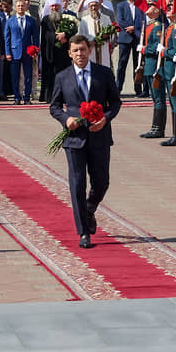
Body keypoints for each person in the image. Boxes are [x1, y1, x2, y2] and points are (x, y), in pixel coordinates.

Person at [49, 34, 122, 249]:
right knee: (77, 184)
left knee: (101, 182)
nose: (80, 54)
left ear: (89, 50)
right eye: (75, 50)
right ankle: (83, 232)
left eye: (83, 49)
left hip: (99, 136)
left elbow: (116, 102)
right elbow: (54, 106)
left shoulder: (103, 73)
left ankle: (88, 210)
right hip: (74, 139)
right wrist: (66, 119)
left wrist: (105, 118)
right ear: (69, 53)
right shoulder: (62, 76)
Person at [137, 0, 165, 138]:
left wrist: (144, 49)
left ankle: (158, 128)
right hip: (148, 65)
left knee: (158, 97)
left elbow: (156, 47)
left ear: (156, 10)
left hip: (154, 65)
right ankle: (155, 127)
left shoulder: (157, 26)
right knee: (155, 98)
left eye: (150, 5)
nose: (147, 7)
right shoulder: (149, 26)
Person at [39, 0, 75, 103]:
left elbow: (73, 31)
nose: (54, 8)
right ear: (50, 7)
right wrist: (56, 37)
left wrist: (65, 35)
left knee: (64, 75)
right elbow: (45, 35)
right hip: (50, 52)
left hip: (63, 53)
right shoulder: (45, 20)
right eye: (52, 6)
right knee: (50, 75)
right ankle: (49, 97)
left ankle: (64, 97)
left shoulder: (66, 18)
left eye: (56, 5)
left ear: (60, 6)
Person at [5, 0, 38, 105]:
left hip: (28, 52)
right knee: (15, 76)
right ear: (15, 7)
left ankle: (27, 97)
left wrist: (35, 50)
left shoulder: (31, 20)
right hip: (15, 52)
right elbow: (7, 38)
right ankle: (17, 97)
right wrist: (8, 52)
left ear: (25, 7)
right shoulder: (10, 20)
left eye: (22, 5)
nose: (20, 7)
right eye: (18, 6)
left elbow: (36, 37)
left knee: (28, 75)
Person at [160, 0, 176, 146]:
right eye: (167, 8)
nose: (168, 10)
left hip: (173, 69)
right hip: (168, 68)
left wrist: (164, 51)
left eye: (171, 8)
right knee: (172, 102)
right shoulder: (171, 27)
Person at [115, 0, 146, 96]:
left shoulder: (140, 6)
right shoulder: (121, 5)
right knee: (122, 64)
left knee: (137, 65)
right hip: (125, 38)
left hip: (137, 38)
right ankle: (118, 88)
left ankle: (138, 89)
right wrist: (129, 28)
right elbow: (120, 20)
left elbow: (143, 21)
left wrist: (134, 28)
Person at [78, 0, 114, 67]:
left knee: (104, 69)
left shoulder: (106, 18)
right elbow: (81, 36)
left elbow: (112, 34)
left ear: (99, 6)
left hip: (103, 49)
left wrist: (107, 36)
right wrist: (88, 42)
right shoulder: (84, 20)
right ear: (89, 7)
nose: (94, 8)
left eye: (95, 5)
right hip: (90, 50)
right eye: (91, 6)